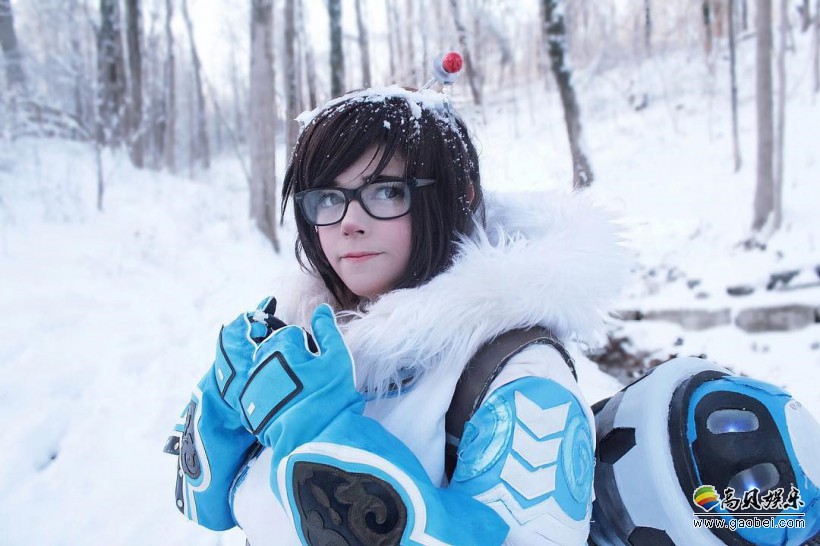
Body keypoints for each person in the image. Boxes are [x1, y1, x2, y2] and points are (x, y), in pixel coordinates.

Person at [166, 86, 820, 546]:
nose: (349, 222)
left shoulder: (517, 376)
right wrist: (222, 421)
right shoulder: (301, 345)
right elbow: (212, 508)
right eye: (325, 199)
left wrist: (323, 434)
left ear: (458, 196)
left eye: (385, 191)